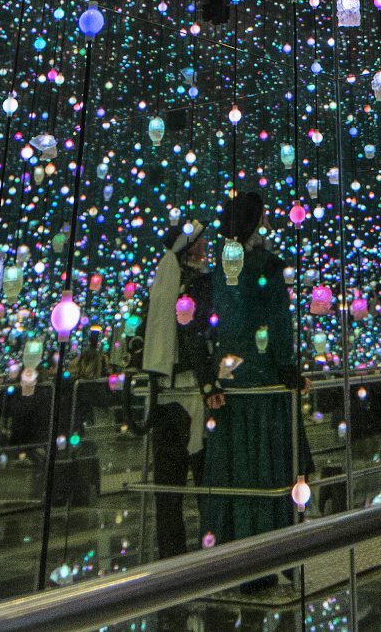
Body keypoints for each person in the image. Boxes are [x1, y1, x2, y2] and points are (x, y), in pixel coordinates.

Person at [199, 191, 302, 545]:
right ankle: (266, 545)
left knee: (230, 467)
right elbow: (277, 324)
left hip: (227, 380)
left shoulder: (218, 269)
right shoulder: (267, 266)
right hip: (261, 382)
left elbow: (214, 324)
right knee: (264, 466)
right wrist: (287, 367)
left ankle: (226, 539)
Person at [139, 226, 212, 557]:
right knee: (206, 485)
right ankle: (212, 555)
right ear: (190, 249)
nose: (206, 246)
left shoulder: (159, 288)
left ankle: (171, 560)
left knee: (168, 492)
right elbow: (201, 338)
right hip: (195, 395)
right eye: (201, 241)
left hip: (163, 397)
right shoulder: (199, 285)